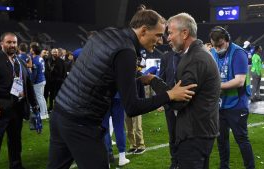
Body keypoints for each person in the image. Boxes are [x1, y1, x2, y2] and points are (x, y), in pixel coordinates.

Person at [47, 7, 197, 169]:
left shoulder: (108, 33)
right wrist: (169, 95)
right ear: (144, 31)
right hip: (81, 122)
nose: (161, 41)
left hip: (60, 112)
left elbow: (104, 76)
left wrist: (137, 81)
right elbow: (132, 107)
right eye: (158, 35)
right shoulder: (127, 51)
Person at [141, 12, 221, 169]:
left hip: (194, 133)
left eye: (170, 33)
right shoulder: (197, 54)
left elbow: (178, 101)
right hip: (201, 131)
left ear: (184, 33)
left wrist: (153, 80)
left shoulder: (196, 58)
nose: (167, 38)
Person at [0, 32, 39, 169]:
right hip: (0, 108)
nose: (12, 45)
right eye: (9, 42)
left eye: (14, 42)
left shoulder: (20, 61)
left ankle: (16, 165)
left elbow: (28, 84)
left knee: (15, 140)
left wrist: (34, 103)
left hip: (17, 108)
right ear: (1, 43)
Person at [209, 26, 255, 169]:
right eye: (214, 45)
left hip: (237, 105)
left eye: (220, 45)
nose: (217, 49)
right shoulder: (212, 52)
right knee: (221, 140)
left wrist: (217, 86)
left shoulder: (238, 53)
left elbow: (240, 80)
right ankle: (224, 167)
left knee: (241, 139)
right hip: (220, 105)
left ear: (227, 40)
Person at [158, 50, 180, 168]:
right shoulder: (166, 56)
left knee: (185, 134)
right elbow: (161, 79)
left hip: (185, 104)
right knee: (172, 135)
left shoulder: (188, 55)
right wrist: (162, 101)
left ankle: (184, 161)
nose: (169, 39)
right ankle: (174, 162)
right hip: (170, 103)